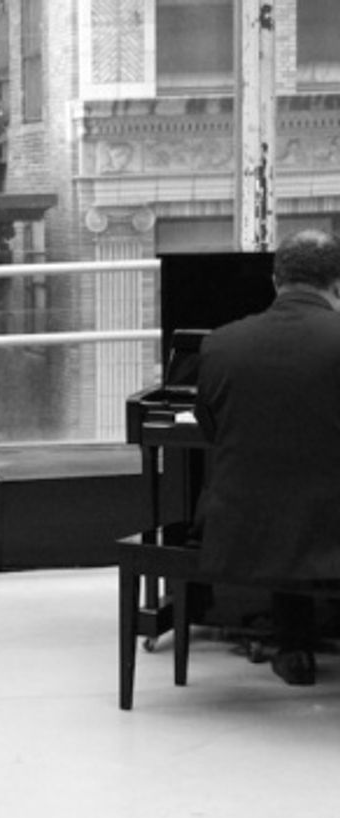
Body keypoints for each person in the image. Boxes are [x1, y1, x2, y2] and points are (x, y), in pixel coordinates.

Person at [194, 229, 340, 686]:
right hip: (330, 521)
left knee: (287, 493)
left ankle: (293, 646)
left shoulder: (221, 343)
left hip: (246, 522)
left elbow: (210, 430)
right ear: (337, 283)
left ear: (275, 280)